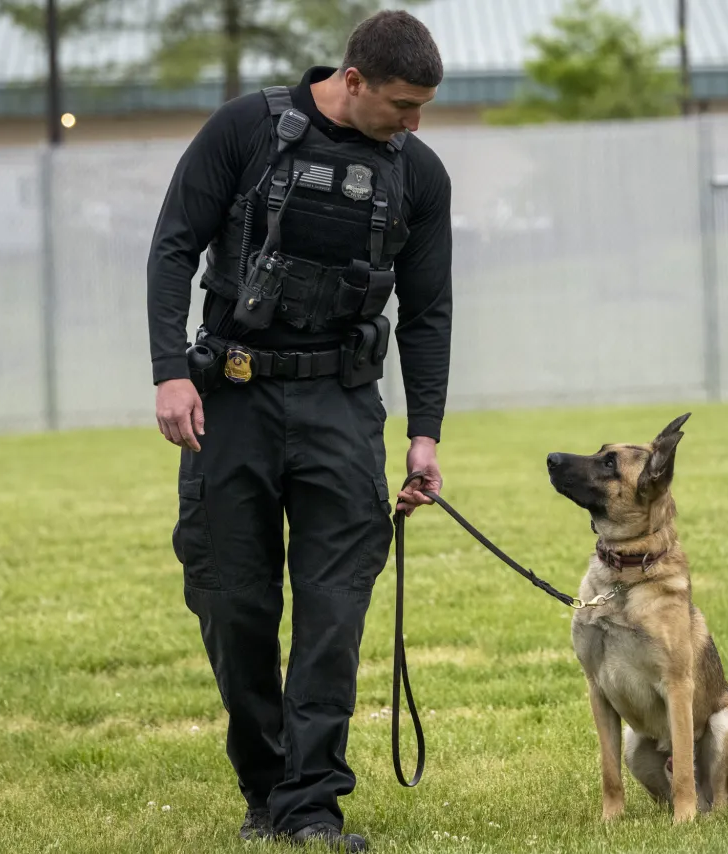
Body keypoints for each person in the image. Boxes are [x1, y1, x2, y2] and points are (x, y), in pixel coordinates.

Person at [144, 10, 452, 850]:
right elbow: (174, 247)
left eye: (424, 107)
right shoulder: (246, 129)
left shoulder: (417, 175)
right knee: (233, 603)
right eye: (401, 105)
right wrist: (169, 369)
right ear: (351, 81)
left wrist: (425, 433)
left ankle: (312, 804)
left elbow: (427, 312)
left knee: (333, 611)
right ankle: (266, 786)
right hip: (231, 400)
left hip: (342, 408)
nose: (414, 123)